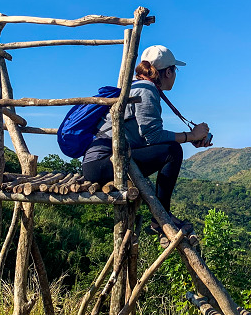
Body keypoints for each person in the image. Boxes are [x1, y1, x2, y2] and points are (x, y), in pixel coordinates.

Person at [81, 45, 212, 236]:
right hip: (102, 163)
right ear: (168, 72)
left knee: (171, 148)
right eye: (175, 70)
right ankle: (161, 218)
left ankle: (162, 217)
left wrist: (190, 138)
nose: (175, 75)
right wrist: (190, 136)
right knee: (173, 152)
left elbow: (146, 137)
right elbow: (154, 137)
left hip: (100, 161)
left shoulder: (137, 86)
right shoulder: (147, 90)